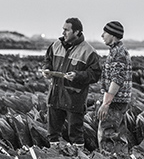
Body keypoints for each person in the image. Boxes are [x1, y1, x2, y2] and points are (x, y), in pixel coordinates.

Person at [42, 18, 101, 148]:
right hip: (55, 96)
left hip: (75, 99)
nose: (63, 32)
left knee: (75, 134)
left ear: (77, 31)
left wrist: (77, 76)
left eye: (66, 30)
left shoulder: (89, 51)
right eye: (63, 29)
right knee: (52, 133)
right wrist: (46, 69)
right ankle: (55, 155)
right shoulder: (55, 45)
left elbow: (95, 74)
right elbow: (48, 60)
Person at [97, 21, 132, 153]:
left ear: (113, 35)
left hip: (115, 102)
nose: (102, 35)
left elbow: (117, 79)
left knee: (108, 136)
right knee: (118, 136)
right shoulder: (116, 51)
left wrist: (106, 104)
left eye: (105, 32)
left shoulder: (119, 53)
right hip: (118, 101)